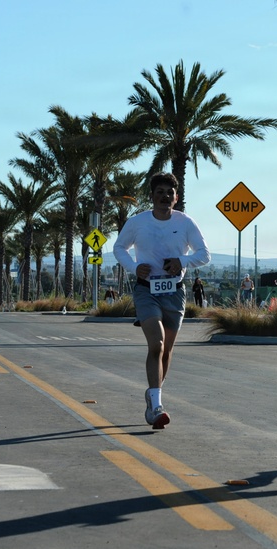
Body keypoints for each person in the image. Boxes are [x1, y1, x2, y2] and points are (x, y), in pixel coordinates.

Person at [113, 172, 210, 429]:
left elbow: (204, 254)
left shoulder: (185, 222)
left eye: (170, 193)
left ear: (176, 198)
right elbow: (119, 247)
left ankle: (153, 395)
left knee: (166, 350)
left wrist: (182, 262)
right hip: (146, 290)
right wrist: (135, 268)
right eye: (160, 193)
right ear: (152, 196)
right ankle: (157, 407)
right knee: (156, 343)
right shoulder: (138, 223)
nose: (165, 197)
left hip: (175, 291)